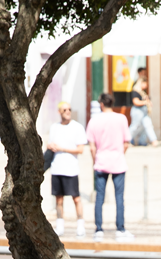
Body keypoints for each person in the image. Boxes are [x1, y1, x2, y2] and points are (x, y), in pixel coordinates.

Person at [86, 93, 133, 242]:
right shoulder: (121, 119)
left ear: (101, 104)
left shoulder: (94, 121)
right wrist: (120, 153)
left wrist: (95, 159)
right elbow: (126, 142)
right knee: (119, 197)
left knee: (100, 197)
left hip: (101, 161)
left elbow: (92, 147)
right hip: (118, 162)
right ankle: (120, 229)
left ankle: (98, 229)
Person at [45, 101, 88, 238]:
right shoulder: (54, 128)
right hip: (57, 168)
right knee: (59, 199)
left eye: (69, 109)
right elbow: (51, 145)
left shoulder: (77, 127)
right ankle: (60, 226)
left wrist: (62, 148)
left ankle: (80, 225)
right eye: (65, 110)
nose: (68, 112)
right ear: (59, 112)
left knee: (76, 198)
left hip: (71, 169)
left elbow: (80, 149)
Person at [129, 69, 160, 148]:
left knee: (148, 125)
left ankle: (153, 141)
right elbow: (135, 102)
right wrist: (145, 102)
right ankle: (127, 139)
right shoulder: (135, 91)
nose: (146, 85)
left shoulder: (142, 92)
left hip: (143, 111)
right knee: (135, 127)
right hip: (137, 111)